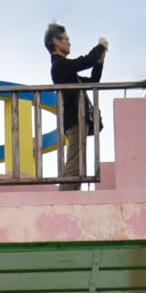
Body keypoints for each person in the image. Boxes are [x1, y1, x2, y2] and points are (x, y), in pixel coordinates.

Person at [46, 23, 108, 178]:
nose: (69, 43)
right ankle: (64, 198)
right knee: (75, 165)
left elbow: (93, 80)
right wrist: (100, 46)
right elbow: (87, 60)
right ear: (56, 41)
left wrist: (99, 61)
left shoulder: (66, 69)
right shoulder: (60, 66)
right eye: (66, 39)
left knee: (78, 164)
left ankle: (70, 196)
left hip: (78, 119)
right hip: (74, 119)